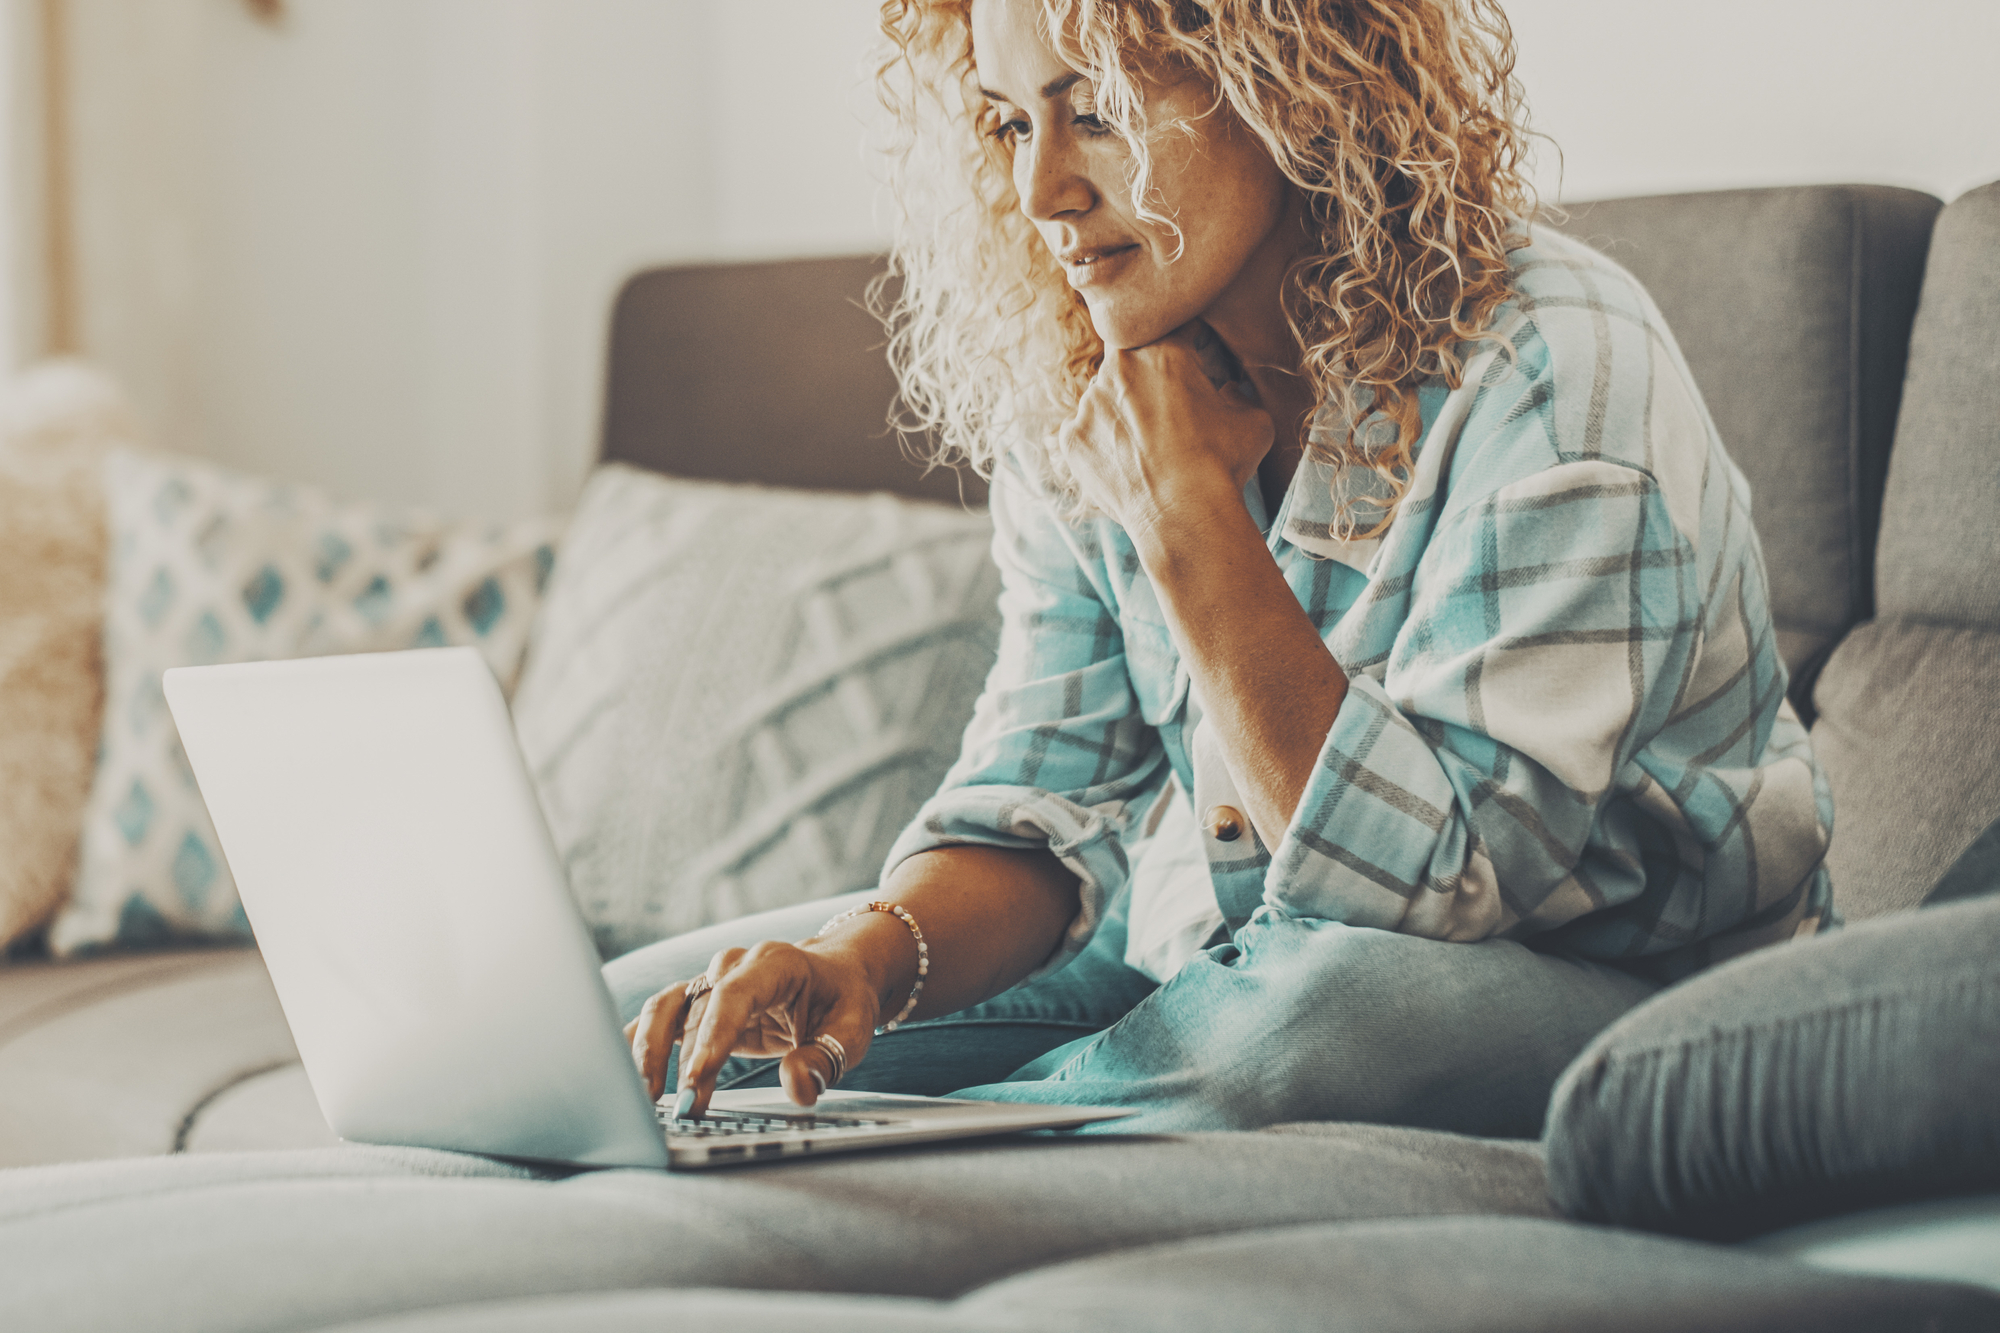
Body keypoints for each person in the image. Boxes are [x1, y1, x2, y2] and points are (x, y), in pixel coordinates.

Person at [610, 0, 1835, 1138]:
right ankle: (959, 1130)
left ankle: (966, 1145)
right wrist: (860, 962)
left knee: (1320, 1007)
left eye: (1095, 110)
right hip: (1229, 952)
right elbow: (1041, 806)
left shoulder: (1549, 372)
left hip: (1608, 987)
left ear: (1293, 87)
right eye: (1006, 120)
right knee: (641, 1017)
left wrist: (1192, 524)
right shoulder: (1092, 383)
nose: (1039, 187)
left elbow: (1432, 892)